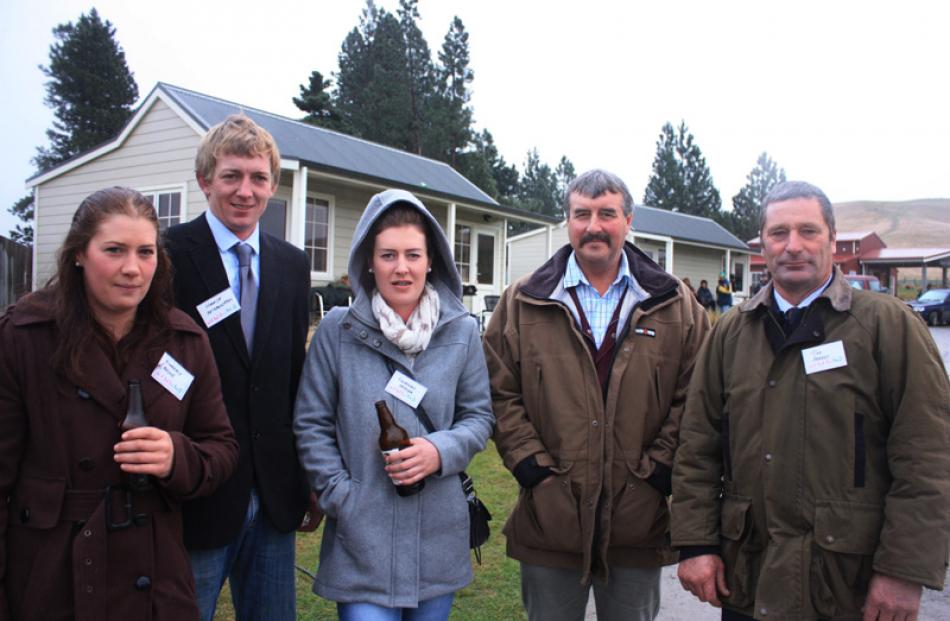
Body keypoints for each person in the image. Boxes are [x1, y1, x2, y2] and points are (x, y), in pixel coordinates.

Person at [672, 181, 950, 620]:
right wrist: (697, 543)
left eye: (808, 231)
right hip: (750, 576)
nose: (793, 246)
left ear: (833, 241)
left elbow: (928, 458)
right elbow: (697, 446)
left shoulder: (887, 328)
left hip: (845, 586)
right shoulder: (731, 333)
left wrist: (902, 571)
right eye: (779, 233)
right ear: (763, 243)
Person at [0, 187, 239, 620]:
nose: (133, 269)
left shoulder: (184, 340)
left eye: (145, 252)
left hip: (154, 576)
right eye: (114, 250)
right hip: (52, 574)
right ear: (79, 254)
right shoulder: (23, 337)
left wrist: (176, 456)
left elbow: (221, 448)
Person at [483, 169, 709, 621]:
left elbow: (697, 394)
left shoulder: (676, 304)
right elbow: (497, 390)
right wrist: (533, 470)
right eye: (581, 214)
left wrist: (658, 470)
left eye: (607, 213)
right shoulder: (523, 300)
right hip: (551, 518)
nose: (593, 226)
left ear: (628, 221)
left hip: (638, 518)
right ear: (567, 221)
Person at [293, 189, 494, 620]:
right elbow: (311, 423)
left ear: (431, 260)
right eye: (387, 255)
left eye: (412, 254)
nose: (401, 268)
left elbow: (479, 417)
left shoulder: (462, 332)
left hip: (438, 534)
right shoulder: (337, 331)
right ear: (369, 260)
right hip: (362, 537)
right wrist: (343, 496)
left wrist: (440, 451)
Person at [165, 114, 311, 620]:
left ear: (272, 185)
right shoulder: (167, 257)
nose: (244, 191)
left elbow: (297, 377)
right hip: (195, 492)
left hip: (273, 493)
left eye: (257, 177)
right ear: (206, 180)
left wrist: (306, 475)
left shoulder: (292, 264)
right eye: (231, 176)